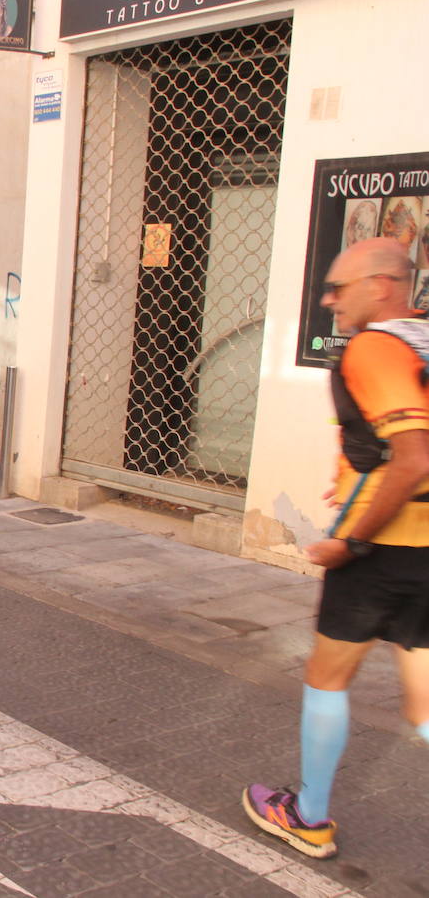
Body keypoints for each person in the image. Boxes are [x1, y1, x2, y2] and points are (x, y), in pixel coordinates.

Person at [243, 237, 429, 860]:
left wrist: (349, 541)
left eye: (338, 288)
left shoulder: (376, 346)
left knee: (327, 677)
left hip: (381, 552)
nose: (327, 300)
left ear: (380, 287)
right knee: (425, 703)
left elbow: (412, 460)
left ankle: (310, 817)